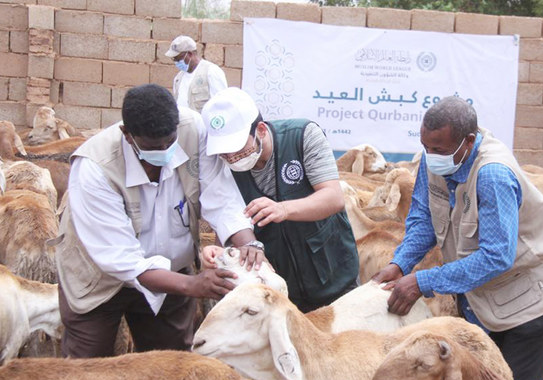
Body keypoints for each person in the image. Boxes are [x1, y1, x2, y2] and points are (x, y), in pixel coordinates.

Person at [372, 96, 543, 380]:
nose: (430, 155)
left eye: (438, 149)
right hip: (489, 294)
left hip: (534, 293)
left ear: (468, 141)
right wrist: (400, 262)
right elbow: (423, 218)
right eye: (425, 147)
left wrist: (422, 281)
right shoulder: (437, 160)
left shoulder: (493, 175)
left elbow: (497, 256)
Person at [55, 84, 265, 358]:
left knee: (173, 364)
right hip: (99, 280)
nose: (165, 151)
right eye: (154, 146)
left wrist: (249, 242)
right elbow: (122, 259)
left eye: (170, 140)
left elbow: (219, 193)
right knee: (88, 369)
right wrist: (194, 285)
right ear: (127, 135)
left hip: (170, 272)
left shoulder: (192, 130)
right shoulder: (95, 168)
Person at [200, 87, 360, 313]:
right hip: (279, 291)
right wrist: (220, 252)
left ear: (261, 130)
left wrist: (284, 209)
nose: (232, 158)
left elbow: (333, 197)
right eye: (224, 153)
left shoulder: (302, 136)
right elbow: (229, 217)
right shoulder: (226, 168)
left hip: (333, 277)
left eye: (237, 149)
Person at [165, 35, 228, 113]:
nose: (176, 62)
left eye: (178, 58)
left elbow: (221, 105)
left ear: (190, 54)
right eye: (174, 59)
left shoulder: (211, 72)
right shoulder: (178, 79)